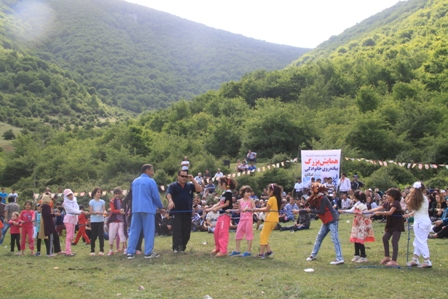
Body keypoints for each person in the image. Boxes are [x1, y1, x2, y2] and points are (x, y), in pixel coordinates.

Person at [127, 164, 165, 259]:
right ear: (147, 170)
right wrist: (161, 206)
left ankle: (130, 252)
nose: (152, 173)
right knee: (149, 231)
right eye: (152, 170)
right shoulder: (151, 181)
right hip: (147, 209)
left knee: (134, 231)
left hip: (135, 209)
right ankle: (148, 253)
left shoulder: (135, 181)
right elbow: (155, 196)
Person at [306, 184, 344, 265]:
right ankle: (313, 255)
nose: (310, 191)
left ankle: (340, 258)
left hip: (332, 220)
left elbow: (321, 211)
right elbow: (311, 207)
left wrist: (309, 211)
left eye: (312, 189)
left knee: (335, 239)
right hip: (326, 221)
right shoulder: (315, 198)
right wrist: (303, 210)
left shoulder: (323, 198)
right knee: (319, 237)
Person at [167, 170, 202, 253]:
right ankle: (177, 248)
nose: (184, 178)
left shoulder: (189, 186)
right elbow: (168, 194)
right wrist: (170, 201)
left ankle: (182, 247)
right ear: (178, 176)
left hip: (187, 211)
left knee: (186, 231)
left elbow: (199, 189)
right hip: (177, 211)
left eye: (185, 176)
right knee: (177, 230)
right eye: (182, 176)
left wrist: (193, 180)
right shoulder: (173, 186)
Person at [370, 188, 405, 267]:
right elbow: (378, 208)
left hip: (397, 225)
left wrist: (379, 213)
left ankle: (394, 260)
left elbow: (390, 212)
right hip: (390, 224)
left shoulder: (396, 203)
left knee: (394, 241)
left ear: (394, 196)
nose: (387, 196)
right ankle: (387, 256)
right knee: (385, 238)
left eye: (389, 195)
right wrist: (367, 211)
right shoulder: (387, 203)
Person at [340, 190, 375, 263]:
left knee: (360, 240)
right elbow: (351, 210)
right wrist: (343, 211)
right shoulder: (357, 204)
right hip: (357, 224)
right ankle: (356, 255)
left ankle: (363, 256)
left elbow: (367, 214)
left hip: (361, 225)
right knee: (356, 239)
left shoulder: (362, 205)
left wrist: (361, 213)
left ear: (355, 197)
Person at [206, 177, 236, 257]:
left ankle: (223, 251)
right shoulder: (224, 193)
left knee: (223, 233)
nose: (219, 185)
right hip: (221, 215)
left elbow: (226, 204)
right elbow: (220, 202)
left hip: (225, 215)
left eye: (219, 183)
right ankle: (218, 248)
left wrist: (217, 208)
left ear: (224, 183)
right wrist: (211, 208)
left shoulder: (228, 193)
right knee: (216, 231)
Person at [404, 182, 432, 268]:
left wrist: (408, 209)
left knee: (421, 241)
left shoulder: (414, 199)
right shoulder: (425, 198)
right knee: (418, 240)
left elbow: (409, 207)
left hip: (420, 222)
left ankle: (427, 260)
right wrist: (411, 214)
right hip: (426, 221)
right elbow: (420, 210)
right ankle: (415, 259)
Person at [253, 183, 281, 259]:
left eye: (268, 190)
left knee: (263, 235)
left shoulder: (272, 199)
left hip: (270, 219)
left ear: (272, 191)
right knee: (264, 235)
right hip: (274, 219)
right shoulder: (276, 198)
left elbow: (266, 209)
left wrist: (257, 209)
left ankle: (261, 253)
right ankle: (269, 251)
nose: (267, 191)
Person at [229, 185, 255, 257]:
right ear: (243, 193)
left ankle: (248, 251)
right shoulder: (240, 201)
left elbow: (254, 209)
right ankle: (237, 250)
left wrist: (248, 208)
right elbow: (239, 210)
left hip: (249, 220)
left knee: (249, 235)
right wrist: (231, 210)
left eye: (250, 192)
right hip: (242, 220)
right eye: (247, 192)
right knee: (238, 234)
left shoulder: (251, 201)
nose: (249, 193)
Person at [107, 188, 127, 255]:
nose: (117, 195)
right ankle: (111, 250)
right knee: (111, 235)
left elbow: (125, 209)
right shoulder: (112, 201)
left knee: (122, 234)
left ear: (121, 194)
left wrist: (124, 212)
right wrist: (119, 211)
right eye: (116, 194)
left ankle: (125, 249)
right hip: (113, 220)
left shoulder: (123, 201)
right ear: (114, 194)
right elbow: (113, 210)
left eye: (119, 194)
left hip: (121, 220)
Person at [62, 189, 81, 257]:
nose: (70, 196)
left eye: (71, 195)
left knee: (72, 236)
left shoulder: (74, 201)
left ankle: (69, 250)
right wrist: (81, 212)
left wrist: (79, 212)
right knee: (69, 236)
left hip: (74, 218)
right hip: (69, 219)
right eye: (68, 195)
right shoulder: (65, 203)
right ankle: (68, 252)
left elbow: (77, 208)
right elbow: (71, 210)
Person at [89, 187, 106, 256]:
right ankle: (92, 250)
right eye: (98, 192)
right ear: (94, 193)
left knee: (101, 236)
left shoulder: (102, 202)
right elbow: (90, 211)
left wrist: (104, 212)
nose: (99, 193)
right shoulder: (91, 202)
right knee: (93, 236)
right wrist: (96, 213)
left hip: (101, 220)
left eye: (100, 192)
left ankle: (101, 250)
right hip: (94, 221)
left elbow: (104, 211)